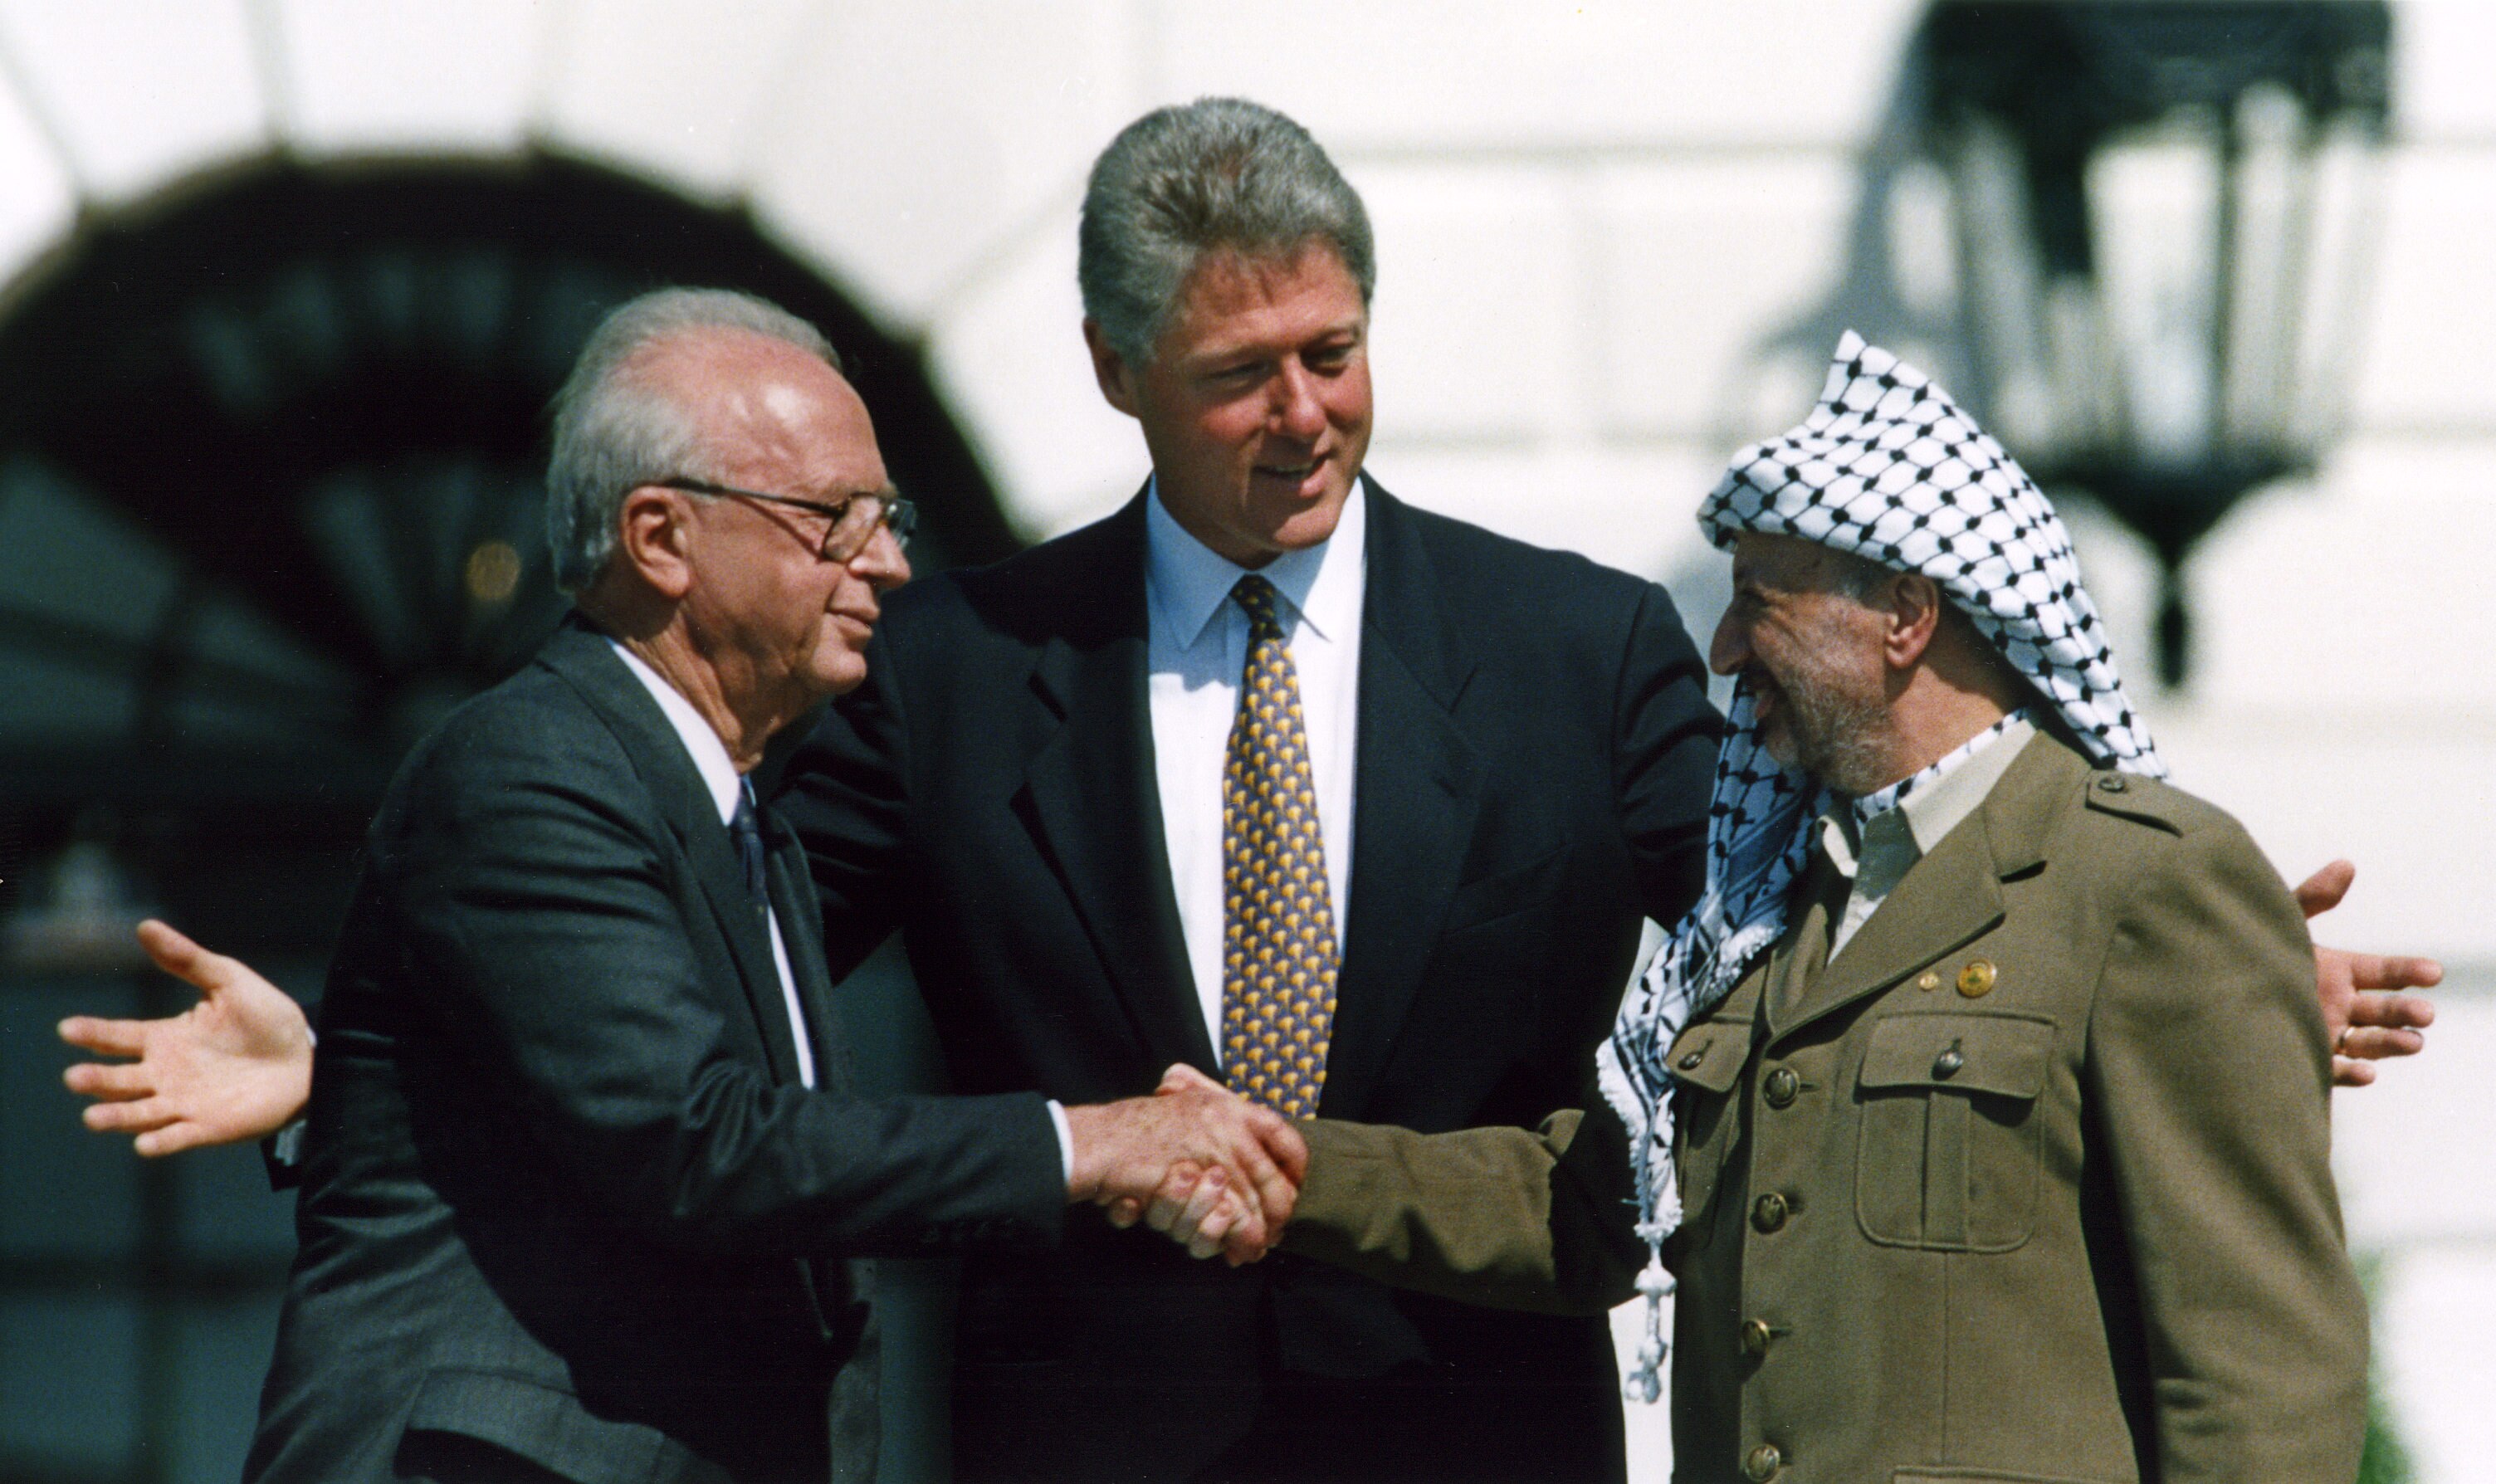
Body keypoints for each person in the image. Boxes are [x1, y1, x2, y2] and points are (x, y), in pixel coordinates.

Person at [64, 104, 2432, 1482]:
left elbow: (1804, 913)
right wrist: (387, 1049)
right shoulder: (967, 659)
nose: (1304, 412)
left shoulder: (1572, 643)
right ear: (1115, 373)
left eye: (1338, 351)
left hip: (1466, 1439)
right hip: (1091, 1453)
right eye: (1240, 374)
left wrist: (2169, 979)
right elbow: (719, 982)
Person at [1156, 334, 2377, 1482]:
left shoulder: (2147, 887)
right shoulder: (1761, 911)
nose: (1728, 649)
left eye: (1762, 601)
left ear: (1905, 616)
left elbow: (2263, 1381)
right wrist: (1284, 1164)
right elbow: (1581, 1206)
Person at [137, 287, 1304, 1484]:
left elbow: (587, 1093)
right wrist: (1091, 1146)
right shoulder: (531, 767)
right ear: (660, 540)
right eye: (835, 519)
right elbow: (699, 1145)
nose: (892, 563)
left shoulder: (741, 817)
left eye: (890, 515)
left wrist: (333, 1079)